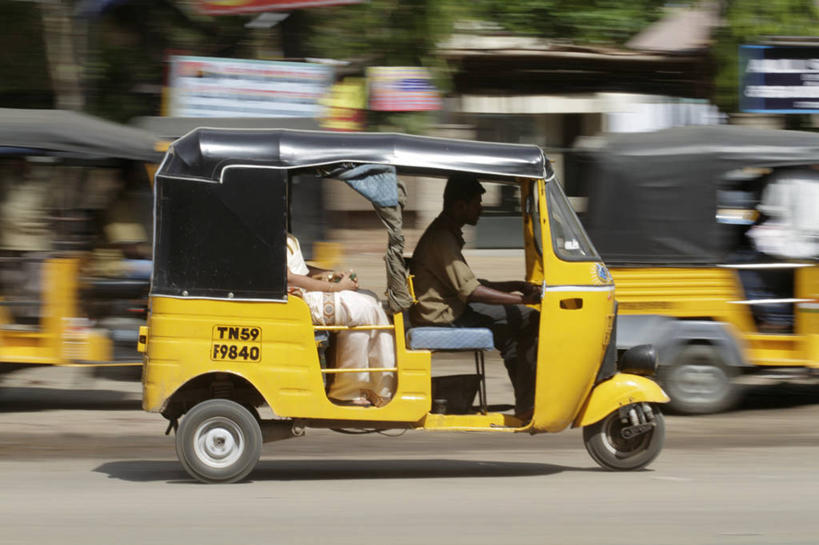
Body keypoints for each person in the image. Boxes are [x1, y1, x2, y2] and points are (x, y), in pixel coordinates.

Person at [410, 173, 541, 419]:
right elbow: (472, 292)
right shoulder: (442, 239)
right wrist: (523, 300)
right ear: (460, 206)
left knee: (515, 327)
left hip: (450, 309)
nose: (481, 209)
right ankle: (527, 404)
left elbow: (472, 283)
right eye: (477, 203)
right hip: (444, 316)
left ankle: (526, 401)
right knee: (529, 318)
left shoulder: (447, 234)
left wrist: (517, 285)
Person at [286, 233, 395, 407]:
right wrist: (336, 287)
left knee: (370, 299)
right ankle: (347, 390)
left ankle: (375, 386)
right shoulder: (268, 230)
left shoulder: (284, 234)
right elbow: (289, 277)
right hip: (296, 300)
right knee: (363, 310)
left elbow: (300, 270)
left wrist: (330, 274)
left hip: (303, 294)